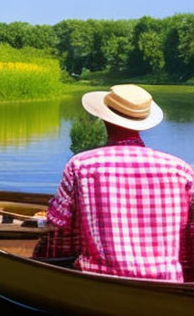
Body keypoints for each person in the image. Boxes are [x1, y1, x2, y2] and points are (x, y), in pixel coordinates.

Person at [34, 84, 194, 281]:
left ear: (103, 118)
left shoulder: (81, 165)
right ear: (143, 123)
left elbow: (57, 221)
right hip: (166, 281)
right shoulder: (181, 169)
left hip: (100, 278)